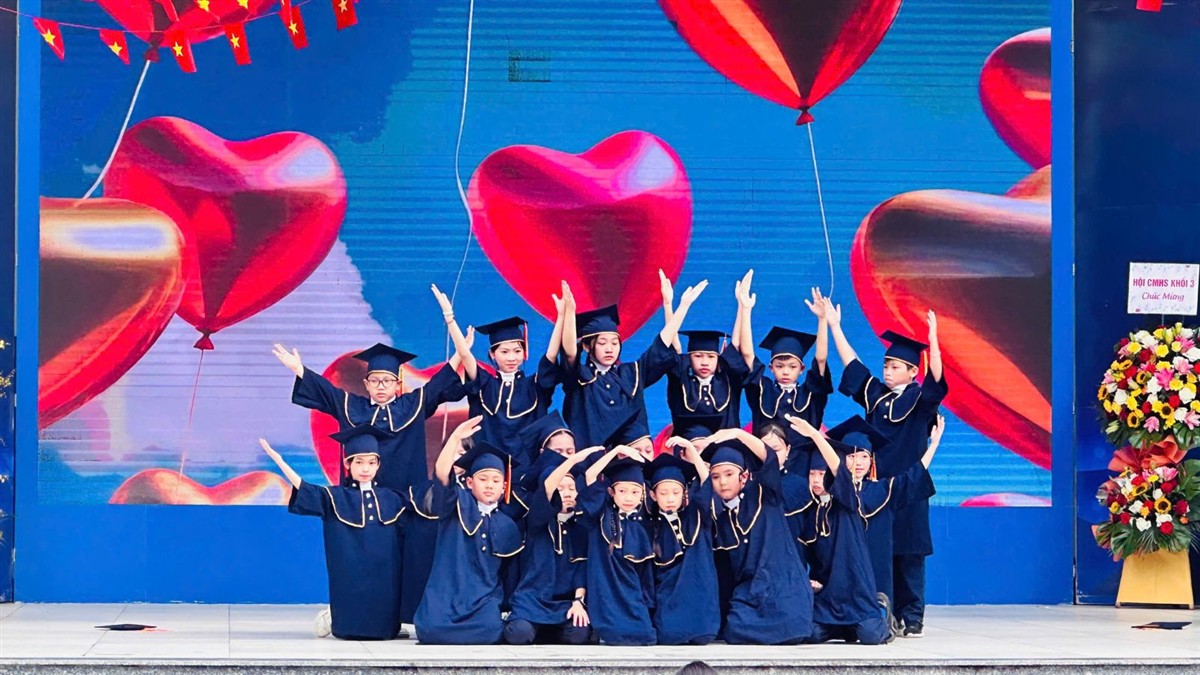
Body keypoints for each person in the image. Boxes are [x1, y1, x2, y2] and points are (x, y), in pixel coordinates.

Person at [825, 300, 946, 638]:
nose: (888, 370)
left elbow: (937, 378)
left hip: (909, 484)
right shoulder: (877, 396)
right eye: (886, 364)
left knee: (911, 550)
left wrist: (933, 340)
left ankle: (913, 615)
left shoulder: (920, 401)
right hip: (877, 487)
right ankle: (883, 611)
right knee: (881, 549)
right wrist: (835, 326)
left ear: (912, 371)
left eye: (895, 366)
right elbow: (853, 364)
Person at [261, 426, 406, 640]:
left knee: (384, 611)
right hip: (349, 568)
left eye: (371, 463)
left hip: (385, 569)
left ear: (378, 465)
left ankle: (388, 625)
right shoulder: (336, 497)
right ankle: (334, 617)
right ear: (348, 464)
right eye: (359, 462)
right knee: (350, 607)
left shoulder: (392, 498)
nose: (365, 469)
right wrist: (280, 461)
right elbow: (306, 488)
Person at [559, 278, 707, 456]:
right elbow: (569, 353)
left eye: (615, 343)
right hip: (592, 464)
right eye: (602, 343)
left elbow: (660, 345)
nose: (610, 349)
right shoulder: (581, 377)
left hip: (633, 463)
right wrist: (569, 312)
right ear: (586, 346)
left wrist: (682, 306)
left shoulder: (630, 374)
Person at [788, 416, 899, 645]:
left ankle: (881, 616)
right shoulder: (813, 513)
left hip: (856, 594)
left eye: (823, 475)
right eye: (812, 474)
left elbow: (839, 470)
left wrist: (815, 435)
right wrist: (808, 581)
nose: (817, 480)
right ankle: (844, 630)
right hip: (829, 598)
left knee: (871, 636)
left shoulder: (847, 503)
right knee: (809, 633)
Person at [413, 417, 524, 644]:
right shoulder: (456, 505)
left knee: (491, 630)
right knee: (430, 630)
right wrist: (455, 438)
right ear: (470, 482)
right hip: (446, 596)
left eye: (496, 480)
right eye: (483, 479)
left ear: (504, 487)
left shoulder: (507, 525)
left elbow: (509, 577)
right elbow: (442, 474)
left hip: (483, 600)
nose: (489, 485)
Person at [702, 428, 812, 645]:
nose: (723, 482)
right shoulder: (722, 519)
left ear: (744, 476)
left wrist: (738, 433)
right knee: (733, 630)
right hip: (750, 593)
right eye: (716, 477)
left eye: (729, 474)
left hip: (783, 586)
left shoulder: (765, 495)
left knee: (793, 630)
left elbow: (769, 459)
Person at [432, 283, 563, 462]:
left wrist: (562, 317)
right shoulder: (485, 384)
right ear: (493, 354)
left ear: (524, 353)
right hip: (488, 469)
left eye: (517, 351)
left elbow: (551, 355)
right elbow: (465, 354)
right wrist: (449, 318)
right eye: (504, 352)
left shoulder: (534, 385)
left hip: (527, 470)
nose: (512, 357)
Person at [503, 446, 601, 645]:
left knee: (579, 634)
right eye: (561, 488)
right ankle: (536, 631)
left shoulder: (581, 527)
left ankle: (545, 633)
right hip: (531, 601)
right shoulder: (537, 521)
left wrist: (578, 602)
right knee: (518, 634)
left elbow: (581, 569)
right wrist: (572, 461)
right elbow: (547, 487)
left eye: (571, 488)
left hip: (563, 605)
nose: (567, 493)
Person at [735, 272, 833, 448]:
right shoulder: (763, 390)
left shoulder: (809, 393)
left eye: (792, 366)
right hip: (768, 459)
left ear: (801, 369)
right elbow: (748, 354)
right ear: (771, 368)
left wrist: (822, 319)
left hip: (804, 461)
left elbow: (820, 359)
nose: (785, 371)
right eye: (779, 366)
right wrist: (746, 310)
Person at [577, 446, 658, 645]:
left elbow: (645, 572)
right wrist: (615, 452)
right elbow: (590, 475)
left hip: (632, 592)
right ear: (611, 492)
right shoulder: (600, 513)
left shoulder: (644, 524)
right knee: (614, 634)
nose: (628, 497)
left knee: (645, 635)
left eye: (635, 492)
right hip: (605, 590)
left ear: (643, 494)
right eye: (622, 491)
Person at [659, 270, 751, 437]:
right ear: (689, 358)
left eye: (711, 356)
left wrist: (742, 307)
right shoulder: (682, 381)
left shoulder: (728, 381)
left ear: (718, 358)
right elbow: (673, 344)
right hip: (688, 447)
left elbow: (736, 344)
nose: (704, 362)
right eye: (698, 356)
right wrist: (668, 304)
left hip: (725, 450)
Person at [645, 441, 719, 645]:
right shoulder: (650, 526)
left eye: (676, 492)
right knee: (669, 635)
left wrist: (691, 449)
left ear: (684, 493)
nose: (670, 498)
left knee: (703, 637)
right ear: (653, 495)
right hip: (669, 597)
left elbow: (706, 482)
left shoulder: (697, 514)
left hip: (700, 594)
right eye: (663, 493)